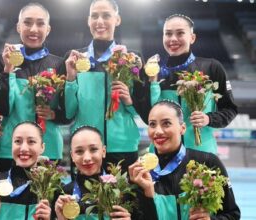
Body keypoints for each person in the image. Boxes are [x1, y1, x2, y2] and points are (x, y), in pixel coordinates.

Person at [135, 14, 237, 154]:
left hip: (201, 154)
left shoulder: (212, 68)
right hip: (162, 156)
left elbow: (230, 109)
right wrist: (150, 81)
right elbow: (148, 117)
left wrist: (208, 119)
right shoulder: (154, 71)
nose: (173, 39)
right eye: (168, 34)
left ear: (192, 38)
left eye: (180, 33)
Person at [0, 3, 67, 173]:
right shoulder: (1, 61)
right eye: (27, 23)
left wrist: (55, 114)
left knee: (46, 199)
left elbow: (70, 113)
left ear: (48, 29)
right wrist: (8, 71)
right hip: (11, 150)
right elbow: (0, 108)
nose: (33, 29)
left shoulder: (59, 64)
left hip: (49, 150)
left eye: (40, 24)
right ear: (18, 26)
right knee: (7, 199)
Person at [62, 0, 141, 173]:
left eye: (106, 15)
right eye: (94, 16)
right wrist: (70, 78)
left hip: (123, 146)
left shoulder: (131, 59)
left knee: (123, 200)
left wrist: (129, 101)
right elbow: (69, 112)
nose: (99, 21)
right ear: (88, 20)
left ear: (117, 19)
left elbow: (140, 112)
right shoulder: (75, 58)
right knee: (84, 200)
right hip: (85, 148)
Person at [129, 100, 240, 219]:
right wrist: (148, 196)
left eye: (166, 123)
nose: (158, 131)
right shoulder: (139, 172)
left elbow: (233, 214)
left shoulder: (208, 163)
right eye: (152, 124)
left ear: (182, 128)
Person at [54, 126, 157, 220]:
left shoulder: (123, 191)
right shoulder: (64, 195)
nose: (87, 158)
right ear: (72, 156)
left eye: (93, 149)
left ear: (103, 151)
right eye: (79, 151)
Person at [0, 121, 52, 220]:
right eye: (18, 141)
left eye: (31, 141)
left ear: (42, 147)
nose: (24, 148)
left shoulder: (53, 188)